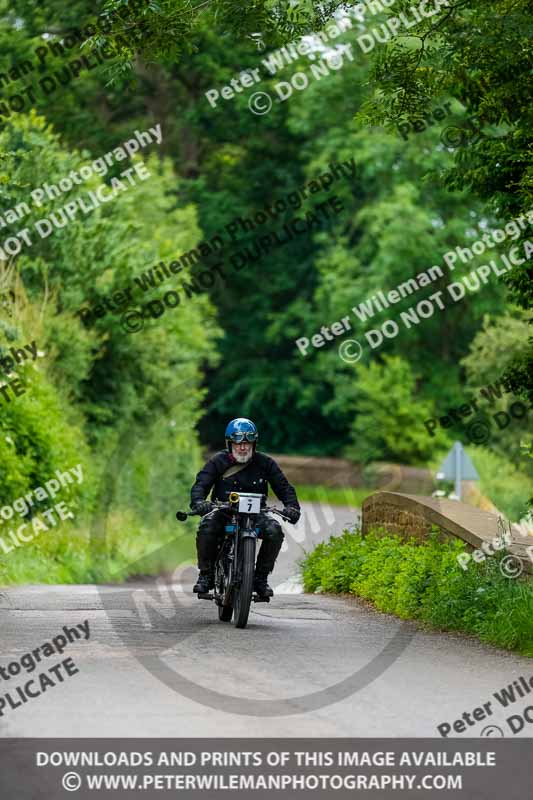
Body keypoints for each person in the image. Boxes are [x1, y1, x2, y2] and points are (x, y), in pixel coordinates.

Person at [190, 417, 301, 597]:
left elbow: (284, 487)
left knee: (274, 531)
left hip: (256, 514)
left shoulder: (266, 463)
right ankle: (206, 575)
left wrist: (292, 507)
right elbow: (201, 485)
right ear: (230, 444)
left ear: (254, 444)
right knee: (206, 527)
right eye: (238, 443)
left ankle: (260, 578)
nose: (243, 447)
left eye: (247, 443)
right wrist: (199, 502)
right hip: (223, 512)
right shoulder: (217, 462)